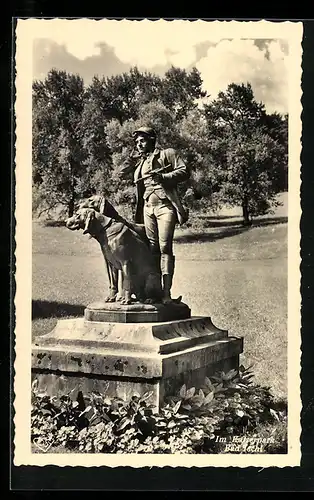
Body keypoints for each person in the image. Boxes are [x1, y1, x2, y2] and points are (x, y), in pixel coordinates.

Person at [119, 126, 190, 304]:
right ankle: (153, 291)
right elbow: (120, 174)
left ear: (152, 139)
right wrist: (132, 157)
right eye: (136, 142)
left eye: (142, 140)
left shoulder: (168, 153)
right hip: (147, 208)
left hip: (165, 206)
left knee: (165, 247)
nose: (139, 144)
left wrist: (164, 177)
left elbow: (184, 171)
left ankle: (166, 294)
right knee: (152, 250)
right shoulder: (139, 161)